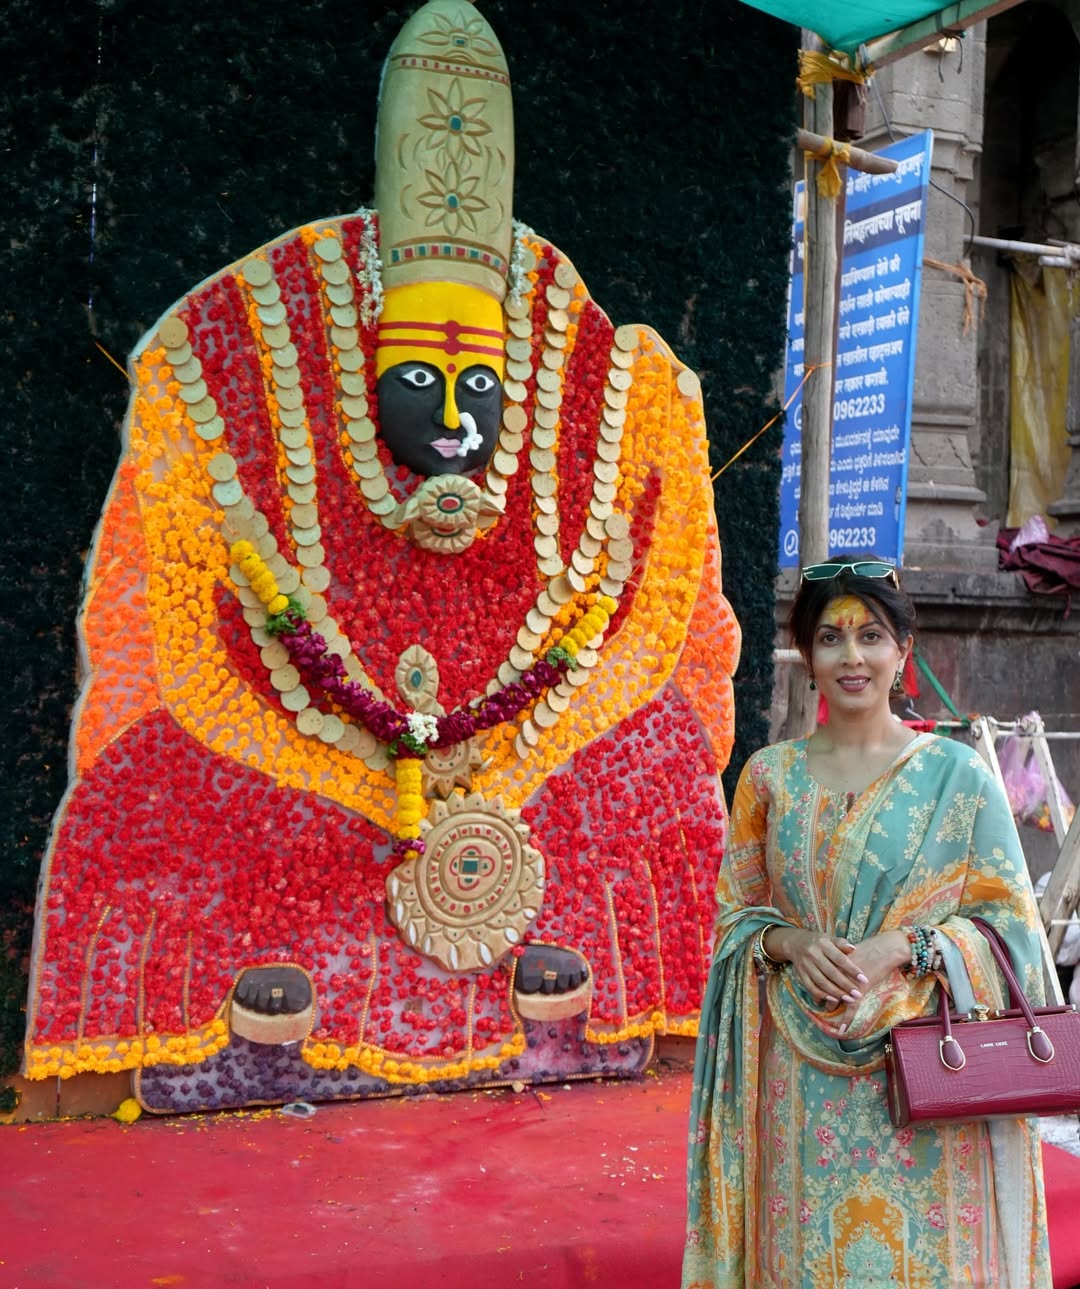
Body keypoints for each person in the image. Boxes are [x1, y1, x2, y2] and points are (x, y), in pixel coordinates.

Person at [23, 0, 740, 1111]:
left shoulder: (620, 398)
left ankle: (573, 1019)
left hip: (524, 754)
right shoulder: (223, 386)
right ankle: (250, 1030)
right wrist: (342, 771)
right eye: (420, 384)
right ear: (360, 366)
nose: (455, 424)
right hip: (304, 749)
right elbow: (179, 652)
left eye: (478, 390)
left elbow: (657, 629)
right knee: (139, 788)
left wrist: (516, 762)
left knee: (661, 764)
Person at [683, 557, 1052, 1288]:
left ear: (903, 651)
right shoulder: (768, 776)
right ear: (805, 652)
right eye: (830, 637)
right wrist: (792, 941)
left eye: (871, 635)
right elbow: (734, 922)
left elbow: (1015, 934)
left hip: (928, 1079)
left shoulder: (958, 777)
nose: (852, 656)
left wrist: (907, 945)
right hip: (797, 1086)